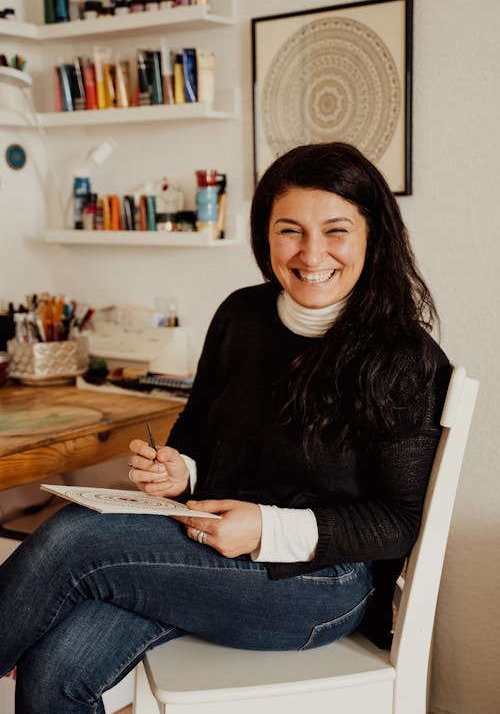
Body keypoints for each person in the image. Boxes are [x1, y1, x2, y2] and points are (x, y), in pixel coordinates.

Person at [0, 142, 450, 713]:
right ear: (265, 235)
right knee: (54, 668)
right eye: (291, 230)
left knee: (74, 536)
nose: (312, 253)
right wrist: (178, 470)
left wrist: (264, 529)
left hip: (316, 586)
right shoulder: (242, 314)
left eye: (336, 230)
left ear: (373, 237)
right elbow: (198, 429)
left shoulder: (404, 358)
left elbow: (398, 522)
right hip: (208, 551)